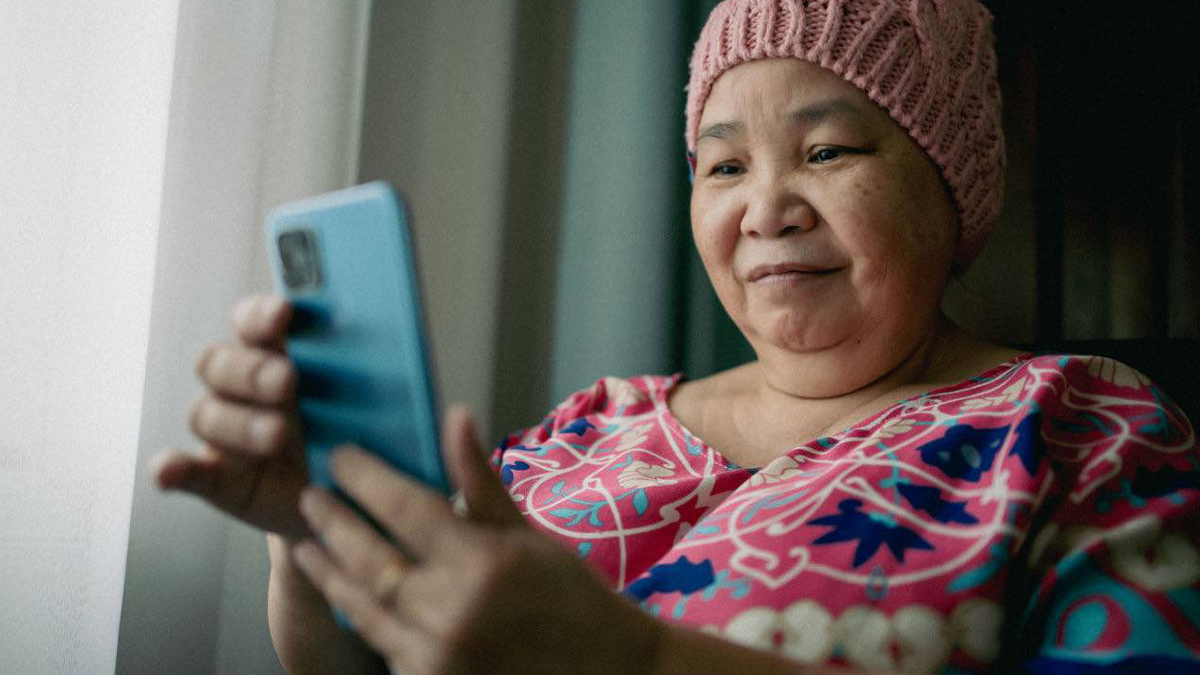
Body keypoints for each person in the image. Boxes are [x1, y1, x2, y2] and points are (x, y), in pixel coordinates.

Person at [154, 0, 1200, 673]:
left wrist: (628, 663)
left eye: (828, 150)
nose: (767, 208)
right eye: (725, 166)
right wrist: (313, 535)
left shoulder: (1079, 428)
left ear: (952, 188)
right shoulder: (588, 430)